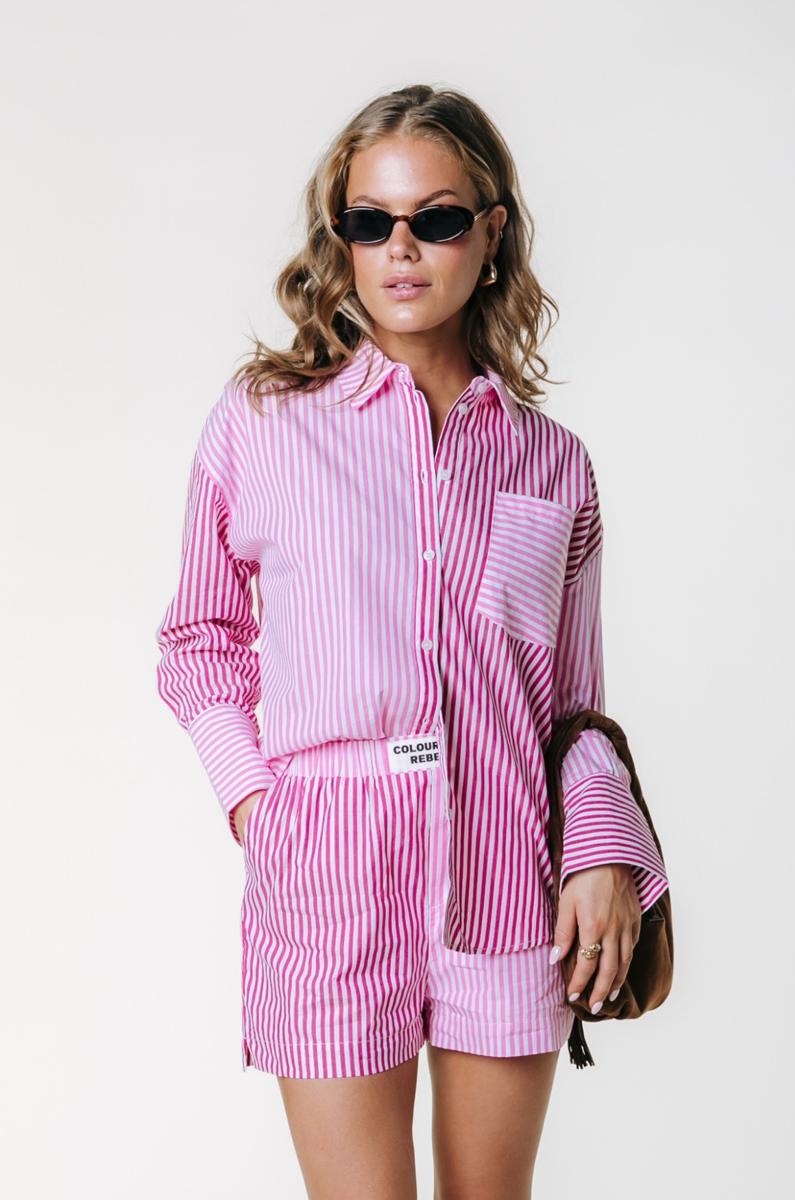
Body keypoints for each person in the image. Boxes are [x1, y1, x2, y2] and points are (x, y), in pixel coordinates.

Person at [155, 83, 669, 1200]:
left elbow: (573, 708)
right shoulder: (261, 422)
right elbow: (198, 637)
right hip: (327, 871)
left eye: (435, 219)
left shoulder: (552, 462)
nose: (400, 248)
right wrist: (257, 805)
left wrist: (600, 848)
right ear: (338, 238)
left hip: (505, 869)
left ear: (490, 233)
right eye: (369, 220)